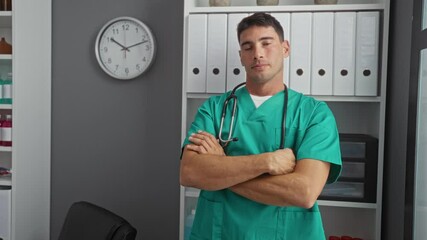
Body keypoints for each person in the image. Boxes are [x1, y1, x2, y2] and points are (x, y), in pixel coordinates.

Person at [180, 12, 342, 240]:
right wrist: (267, 162)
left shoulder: (315, 114)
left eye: (266, 43)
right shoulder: (216, 109)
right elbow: (190, 172)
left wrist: (222, 169)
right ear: (241, 56)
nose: (257, 53)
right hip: (220, 232)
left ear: (285, 49)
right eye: (248, 47)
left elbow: (304, 192)